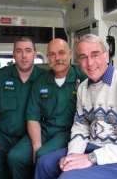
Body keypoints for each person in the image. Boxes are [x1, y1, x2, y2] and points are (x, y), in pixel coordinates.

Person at [35, 34, 117, 179]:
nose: (90, 63)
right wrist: (74, 155)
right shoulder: (83, 88)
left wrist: (91, 158)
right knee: (44, 163)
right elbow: (81, 126)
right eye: (83, 57)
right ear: (78, 61)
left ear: (106, 55)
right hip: (93, 146)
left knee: (68, 177)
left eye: (95, 54)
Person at [25, 38, 86, 172]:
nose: (57, 58)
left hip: (69, 132)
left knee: (42, 155)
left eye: (61, 53)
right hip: (44, 129)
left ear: (70, 54)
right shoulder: (40, 81)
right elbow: (32, 117)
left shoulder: (82, 78)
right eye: (52, 54)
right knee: (15, 157)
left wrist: (38, 151)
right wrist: (36, 145)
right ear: (47, 57)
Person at [0, 37, 44, 179]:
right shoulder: (1, 76)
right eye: (19, 51)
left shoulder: (44, 78)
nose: (24, 56)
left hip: (28, 138)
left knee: (18, 161)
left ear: (35, 53)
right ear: (13, 54)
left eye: (28, 50)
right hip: (2, 136)